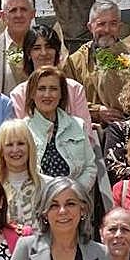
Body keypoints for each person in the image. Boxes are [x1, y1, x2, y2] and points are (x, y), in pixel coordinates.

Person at [24, 66, 97, 196]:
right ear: (32, 93)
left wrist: (73, 194)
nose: (47, 95)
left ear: (61, 93)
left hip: (75, 201)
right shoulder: (22, 130)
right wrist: (52, 195)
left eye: (53, 89)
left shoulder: (78, 125)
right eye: (41, 89)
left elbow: (90, 168)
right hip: (38, 201)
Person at [60, 1, 130, 125]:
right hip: (90, 131)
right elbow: (68, 99)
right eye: (101, 24)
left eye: (113, 24)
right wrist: (96, 111)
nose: (107, 30)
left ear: (120, 27)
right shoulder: (75, 61)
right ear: (90, 27)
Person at [10, 25, 94, 130]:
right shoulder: (19, 94)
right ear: (28, 54)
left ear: (57, 51)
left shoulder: (74, 89)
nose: (44, 53)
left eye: (49, 47)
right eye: (37, 48)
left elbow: (86, 133)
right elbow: (20, 136)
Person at [0, 119, 48, 226]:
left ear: (30, 147)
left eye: (21, 143)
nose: (15, 149)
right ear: (1, 151)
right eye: (9, 145)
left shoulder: (47, 185)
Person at [0, 0, 35, 94]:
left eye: (23, 9)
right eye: (13, 10)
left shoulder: (45, 47)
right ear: (3, 16)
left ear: (33, 14)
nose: (18, 15)